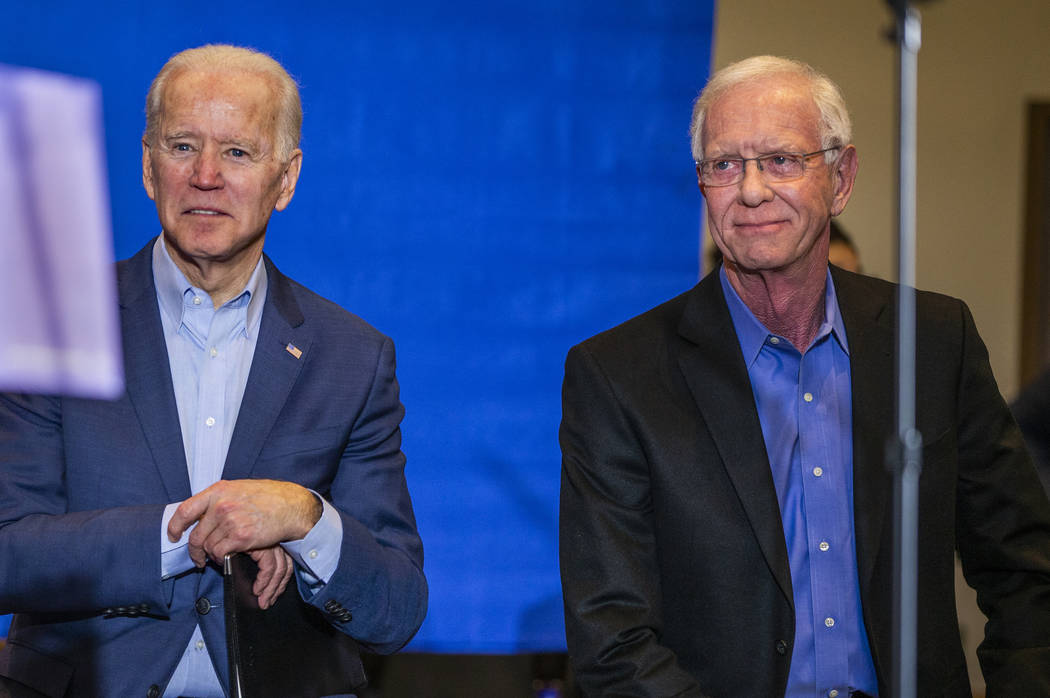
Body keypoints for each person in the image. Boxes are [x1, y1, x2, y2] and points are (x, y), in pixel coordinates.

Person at [559, 55, 1050, 697]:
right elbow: (613, 639)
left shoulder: (932, 342)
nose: (752, 190)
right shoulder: (618, 375)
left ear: (841, 178)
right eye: (724, 165)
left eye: (782, 160)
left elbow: (1024, 570)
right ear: (702, 185)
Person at [0, 45, 426, 697]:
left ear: (285, 180)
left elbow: (394, 607)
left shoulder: (353, 356)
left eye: (237, 152)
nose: (205, 175)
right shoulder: (51, 324)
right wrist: (195, 531)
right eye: (182, 146)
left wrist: (305, 517)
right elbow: (10, 552)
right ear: (147, 166)